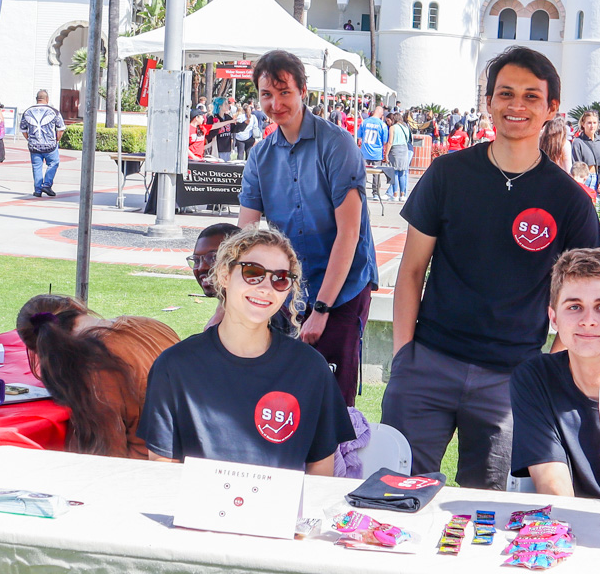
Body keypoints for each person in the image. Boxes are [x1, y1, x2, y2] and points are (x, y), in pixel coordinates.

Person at [381, 46, 600, 490]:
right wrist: (404, 356)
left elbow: (587, 300)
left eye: (530, 96)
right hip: (428, 364)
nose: (516, 106)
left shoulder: (571, 201)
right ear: (488, 102)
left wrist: (542, 372)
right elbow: (410, 272)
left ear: (551, 109)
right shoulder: (448, 174)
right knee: (393, 492)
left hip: (510, 380)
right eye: (505, 93)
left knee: (488, 514)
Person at [139, 226, 355, 470]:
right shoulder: (175, 366)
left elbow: (320, 468)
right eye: (253, 272)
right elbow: (162, 466)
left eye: (280, 278)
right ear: (224, 275)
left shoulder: (310, 369)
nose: (265, 287)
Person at [239, 51, 378, 407]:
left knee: (332, 396)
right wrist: (229, 303)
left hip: (343, 287)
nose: (275, 103)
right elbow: (245, 238)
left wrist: (321, 309)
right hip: (291, 287)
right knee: (282, 390)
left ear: (303, 91)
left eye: (284, 92)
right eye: (267, 94)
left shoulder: (337, 144)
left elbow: (349, 234)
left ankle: (336, 463)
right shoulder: (260, 156)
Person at [510, 248, 600, 500]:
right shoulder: (536, 378)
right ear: (553, 318)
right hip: (575, 526)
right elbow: (552, 484)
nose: (588, 320)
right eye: (574, 306)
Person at [17, 294, 179, 458]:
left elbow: (104, 455)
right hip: (187, 455)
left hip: (146, 468)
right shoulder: (148, 323)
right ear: (78, 306)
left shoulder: (93, 369)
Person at [19, 90, 66, 197]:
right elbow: (61, 129)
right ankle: (47, 185)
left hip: (34, 145)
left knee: (36, 166)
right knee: (53, 163)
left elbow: (23, 130)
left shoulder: (28, 112)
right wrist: (56, 140)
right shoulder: (54, 112)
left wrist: (30, 139)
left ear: (37, 99)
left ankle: (38, 190)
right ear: (47, 99)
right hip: (50, 145)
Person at [570, 112, 600, 193]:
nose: (592, 126)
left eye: (594, 123)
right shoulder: (578, 142)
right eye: (589, 123)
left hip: (598, 179)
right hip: (584, 179)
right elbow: (576, 166)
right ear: (583, 124)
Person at [386, 112, 413, 202]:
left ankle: (395, 194)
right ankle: (402, 194)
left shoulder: (393, 128)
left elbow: (390, 142)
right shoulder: (406, 127)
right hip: (404, 149)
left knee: (394, 173)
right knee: (402, 173)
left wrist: (386, 154)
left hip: (395, 149)